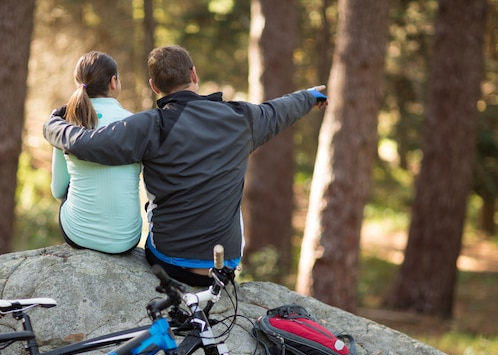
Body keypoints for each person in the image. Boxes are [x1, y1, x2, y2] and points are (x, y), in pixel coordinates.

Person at [44, 45, 327, 286]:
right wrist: (310, 96)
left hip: (169, 263)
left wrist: (53, 123)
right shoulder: (242, 117)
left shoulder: (150, 125)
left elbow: (86, 144)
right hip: (222, 268)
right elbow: (280, 109)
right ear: (193, 75)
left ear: (154, 87)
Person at [49, 51, 142, 254]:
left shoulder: (67, 126)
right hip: (127, 238)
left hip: (78, 234)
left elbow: (57, 190)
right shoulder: (136, 123)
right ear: (113, 82)